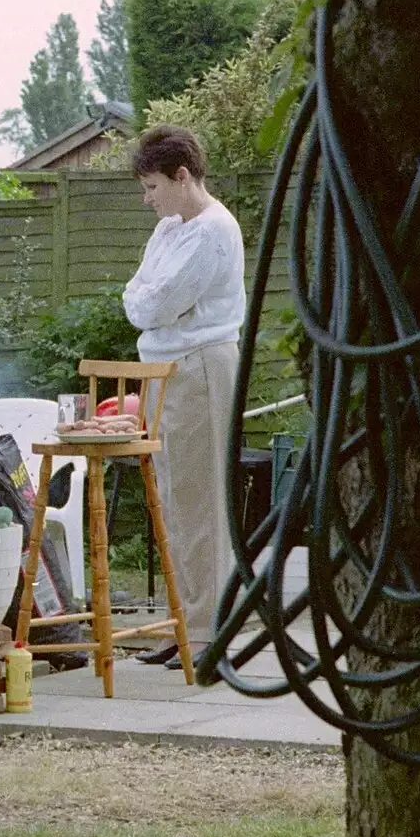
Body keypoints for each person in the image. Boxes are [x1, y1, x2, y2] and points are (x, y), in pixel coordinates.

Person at [120, 125, 246, 670]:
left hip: (200, 368)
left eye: (152, 187)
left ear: (182, 175)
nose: (148, 199)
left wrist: (148, 301)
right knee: (170, 501)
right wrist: (147, 300)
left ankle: (207, 634)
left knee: (200, 505)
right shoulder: (170, 229)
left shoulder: (214, 230)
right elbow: (135, 296)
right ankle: (181, 624)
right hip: (164, 369)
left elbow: (157, 303)